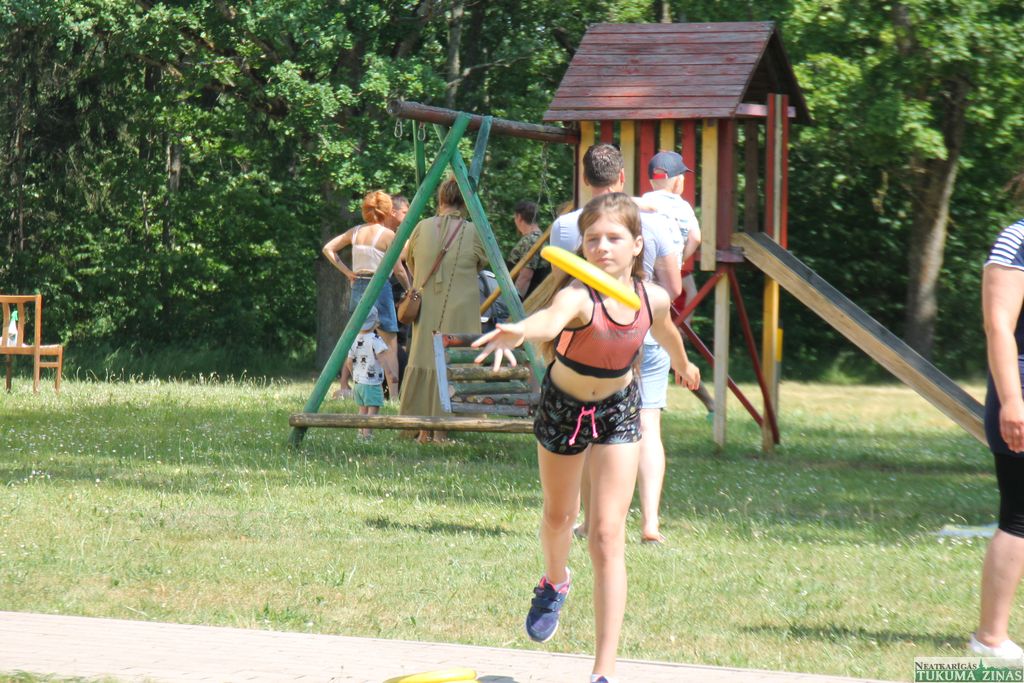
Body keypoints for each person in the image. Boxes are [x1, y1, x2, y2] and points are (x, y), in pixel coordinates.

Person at [473, 193, 700, 683]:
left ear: (637, 244)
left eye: (614, 238)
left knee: (606, 535)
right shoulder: (578, 295)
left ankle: (603, 672)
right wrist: (519, 330)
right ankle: (555, 582)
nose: (602, 247)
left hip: (618, 409)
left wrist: (684, 365)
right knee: (560, 516)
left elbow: (665, 331)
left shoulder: (652, 297)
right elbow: (550, 320)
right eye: (592, 239)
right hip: (564, 408)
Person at [555, 144, 682, 545]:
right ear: (622, 178)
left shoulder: (566, 226)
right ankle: (650, 523)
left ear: (584, 179)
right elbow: (673, 287)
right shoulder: (652, 223)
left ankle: (592, 521)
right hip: (645, 329)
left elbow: (564, 287)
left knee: (591, 429)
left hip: (591, 339)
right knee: (648, 424)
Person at [400, 177, 488, 444]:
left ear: (440, 199)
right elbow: (482, 262)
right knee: (455, 360)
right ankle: (443, 429)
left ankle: (422, 428)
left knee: (425, 357)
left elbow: (409, 260)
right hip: (461, 307)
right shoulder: (474, 231)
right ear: (465, 202)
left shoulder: (421, 227)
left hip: (426, 305)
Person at [972, 217, 1024, 659]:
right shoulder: (1017, 239)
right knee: (1021, 518)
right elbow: (998, 325)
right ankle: (989, 639)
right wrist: (1012, 401)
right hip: (1021, 395)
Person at [322, 190, 408, 399]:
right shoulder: (388, 235)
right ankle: (394, 395)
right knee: (389, 344)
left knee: (358, 341)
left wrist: (347, 273)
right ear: (387, 210)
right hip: (380, 286)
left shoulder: (356, 231)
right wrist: (409, 288)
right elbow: (398, 270)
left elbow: (328, 248)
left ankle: (352, 387)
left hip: (358, 286)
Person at [345, 307, 389, 439]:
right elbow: (383, 359)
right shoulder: (376, 339)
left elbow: (349, 362)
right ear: (376, 323)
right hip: (372, 383)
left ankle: (360, 434)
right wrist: (391, 374)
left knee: (362, 409)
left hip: (358, 383)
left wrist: (354, 375)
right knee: (373, 410)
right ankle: (367, 436)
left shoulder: (354, 340)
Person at [507, 200, 550, 298]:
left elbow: (526, 276)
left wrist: (513, 301)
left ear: (519, 217)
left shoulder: (532, 240)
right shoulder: (540, 238)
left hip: (525, 300)